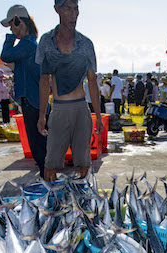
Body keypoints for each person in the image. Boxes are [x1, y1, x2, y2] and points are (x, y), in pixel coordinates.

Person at [36, 0, 103, 182]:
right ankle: (53, 204)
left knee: (84, 163)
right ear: (57, 10)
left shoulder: (86, 44)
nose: (74, 14)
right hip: (58, 110)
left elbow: (92, 82)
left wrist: (97, 115)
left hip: (81, 109)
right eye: (68, 9)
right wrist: (42, 115)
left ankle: (83, 204)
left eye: (76, 9)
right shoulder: (46, 41)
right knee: (50, 165)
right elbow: (44, 80)